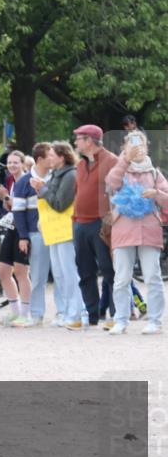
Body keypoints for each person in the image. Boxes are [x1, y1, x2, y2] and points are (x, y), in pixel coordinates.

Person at [104, 130, 167, 335]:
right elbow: (111, 183)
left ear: (146, 147)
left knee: (153, 277)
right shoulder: (120, 169)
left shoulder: (155, 172)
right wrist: (125, 160)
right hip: (124, 230)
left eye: (140, 143)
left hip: (149, 231)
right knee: (121, 278)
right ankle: (121, 319)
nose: (136, 147)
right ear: (124, 147)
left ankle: (155, 321)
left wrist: (156, 194)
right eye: (132, 143)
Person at [33, 142, 86, 328]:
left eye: (52, 155)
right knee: (59, 274)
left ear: (62, 157)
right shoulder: (57, 174)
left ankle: (77, 312)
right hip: (54, 231)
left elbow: (60, 203)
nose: (49, 159)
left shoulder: (70, 175)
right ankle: (67, 311)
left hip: (65, 230)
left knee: (69, 272)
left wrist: (42, 189)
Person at [70, 124, 118, 329]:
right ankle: (91, 315)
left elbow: (119, 193)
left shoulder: (112, 161)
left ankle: (116, 315)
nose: (75, 143)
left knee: (110, 270)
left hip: (102, 223)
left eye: (78, 139)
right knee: (85, 271)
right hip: (80, 223)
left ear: (89, 141)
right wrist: (74, 219)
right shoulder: (80, 165)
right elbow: (76, 193)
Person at [12, 143, 52, 327]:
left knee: (62, 275)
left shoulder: (55, 178)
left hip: (57, 231)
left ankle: (64, 312)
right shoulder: (23, 182)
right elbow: (18, 211)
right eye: (50, 156)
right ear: (40, 159)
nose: (54, 158)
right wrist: (23, 236)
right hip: (36, 233)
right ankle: (36, 314)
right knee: (38, 276)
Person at [0, 150, 32, 326]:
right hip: (12, 227)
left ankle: (25, 313)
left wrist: (5, 196)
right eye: (9, 162)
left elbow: (22, 206)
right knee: (3, 271)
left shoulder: (28, 181)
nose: (12, 165)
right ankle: (14, 312)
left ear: (23, 164)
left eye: (16, 162)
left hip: (24, 228)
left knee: (21, 271)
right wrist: (4, 199)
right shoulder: (10, 180)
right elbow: (10, 208)